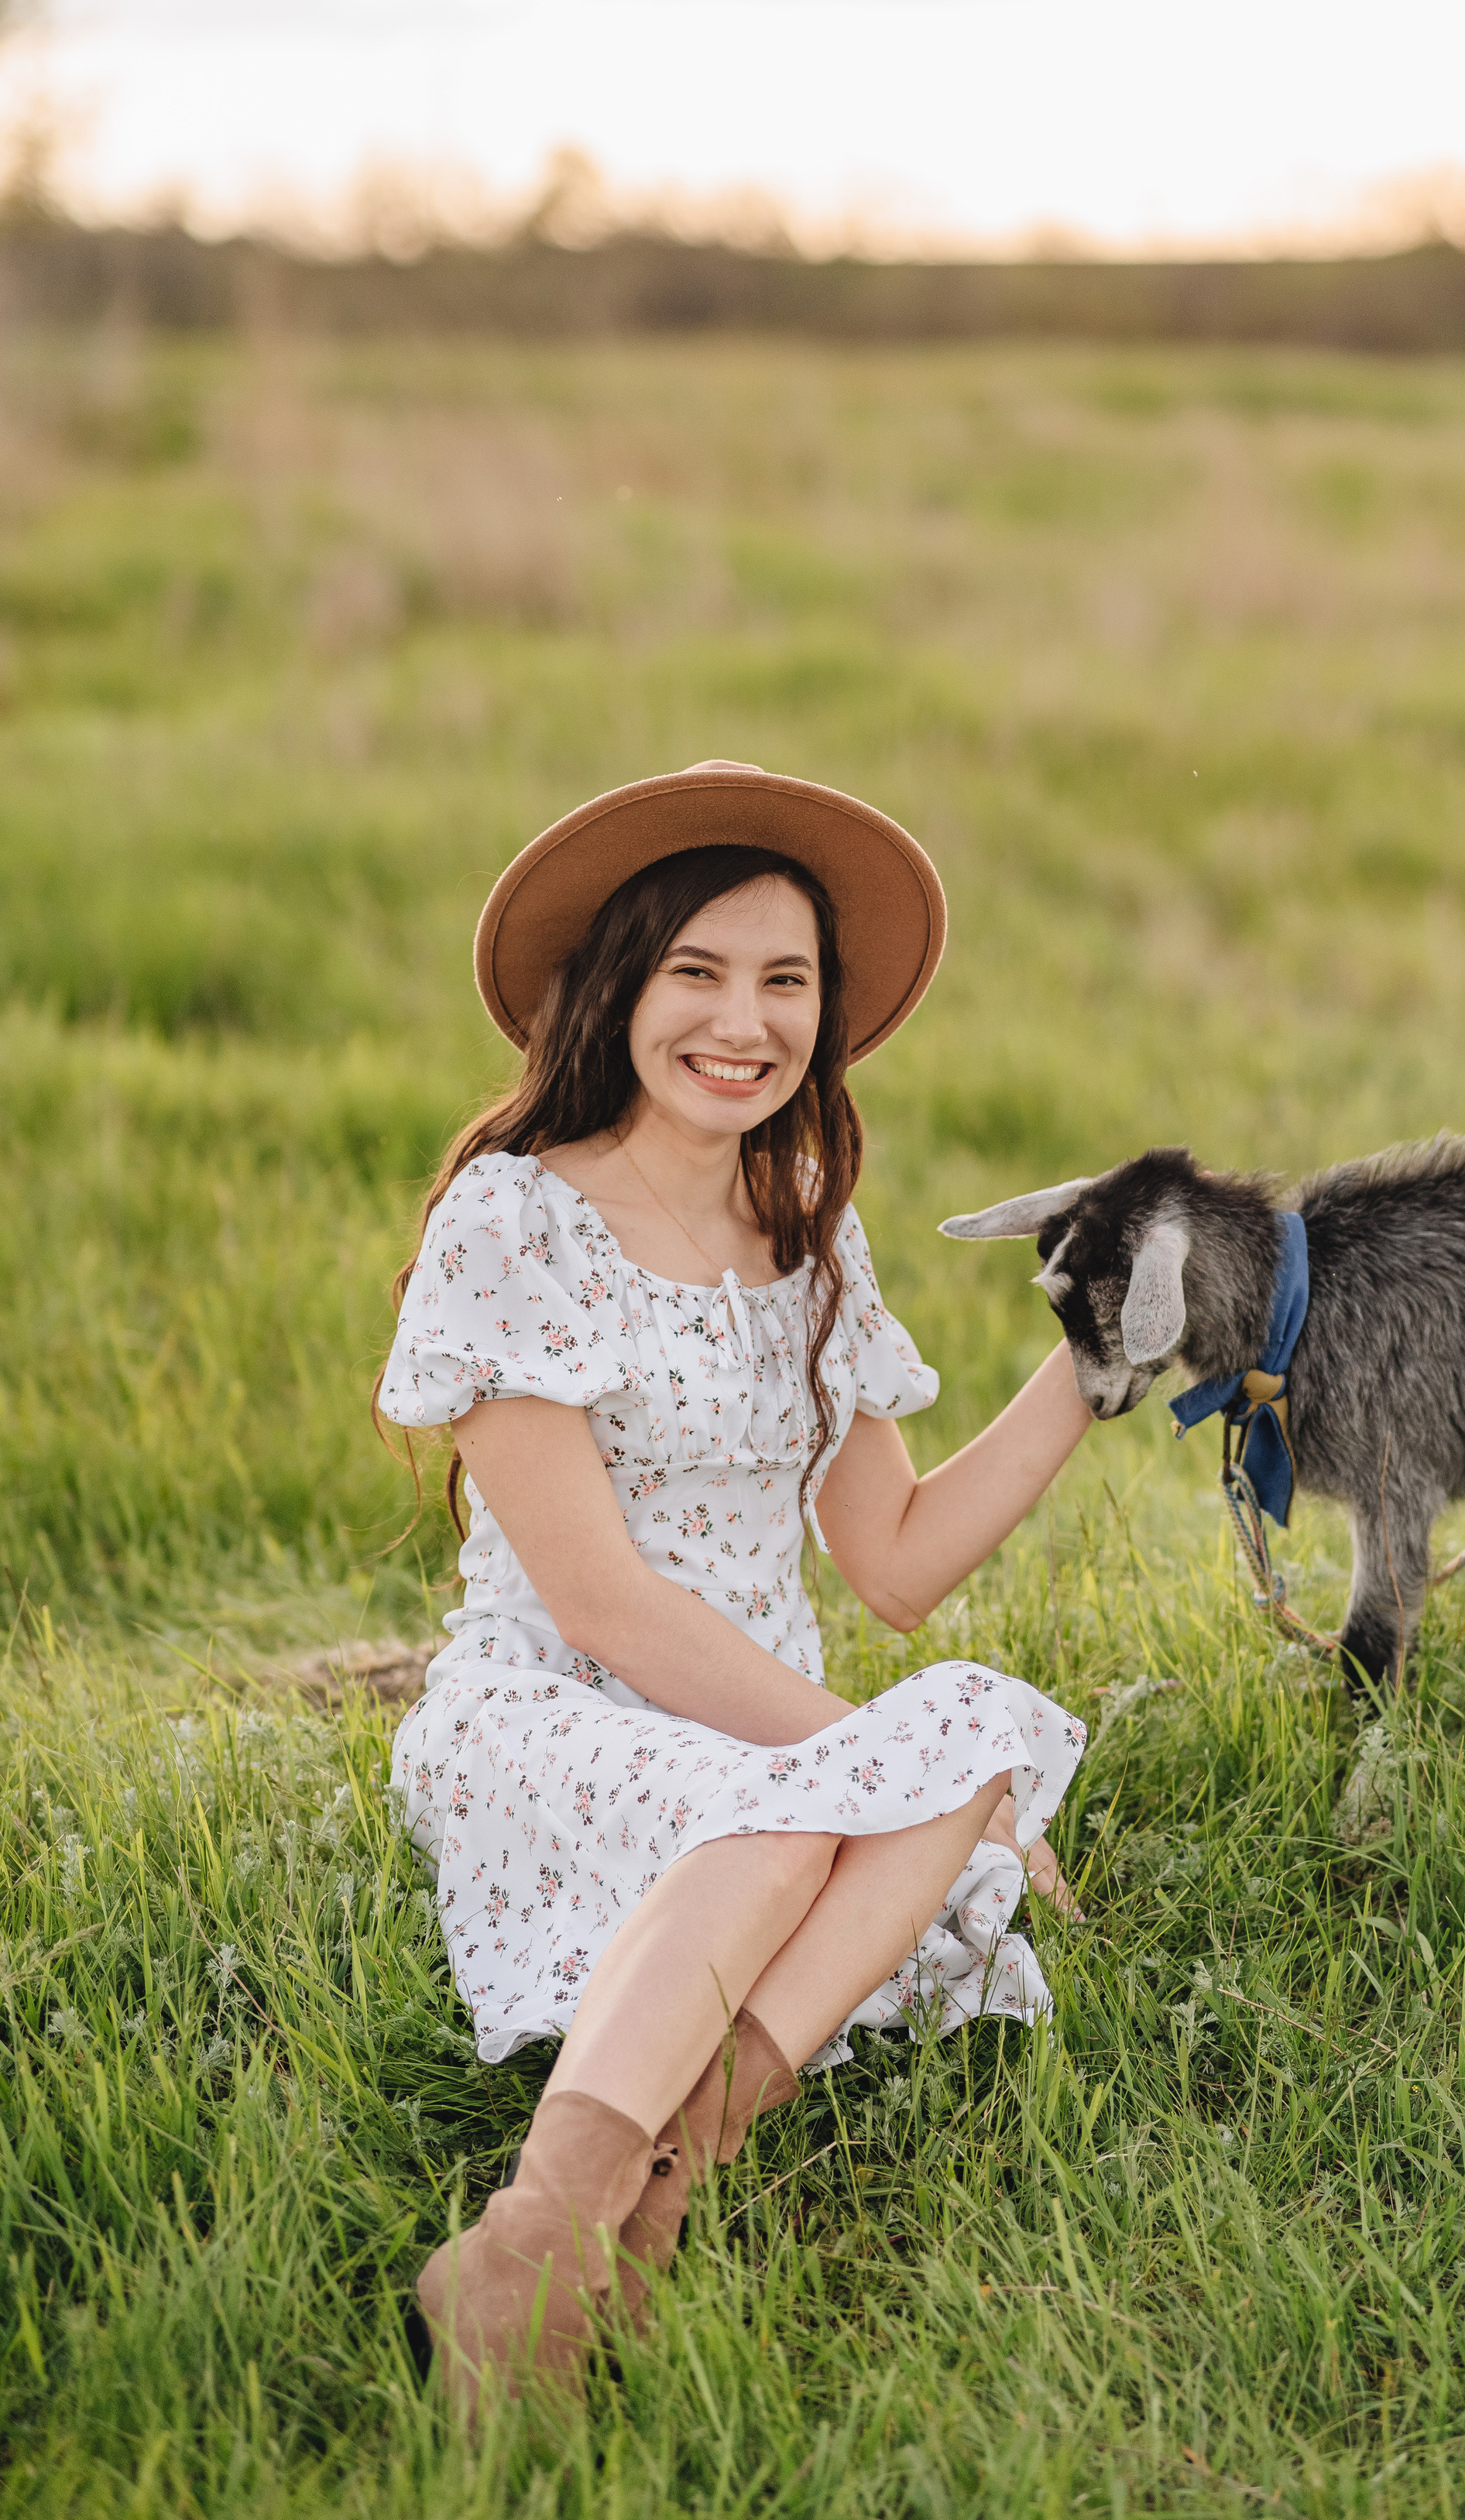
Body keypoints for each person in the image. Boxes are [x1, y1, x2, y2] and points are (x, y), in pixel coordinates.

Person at [376, 762, 1091, 2411]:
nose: (741, 1020)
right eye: (695, 970)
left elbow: (894, 1563)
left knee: (964, 1731)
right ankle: (526, 2255)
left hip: (763, 1725)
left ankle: (651, 2197)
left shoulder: (808, 1230)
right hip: (556, 1708)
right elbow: (606, 1602)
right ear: (617, 986)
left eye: (785, 981)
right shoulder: (516, 1223)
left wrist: (1090, 1357)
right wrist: (858, 1756)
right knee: (832, 1795)